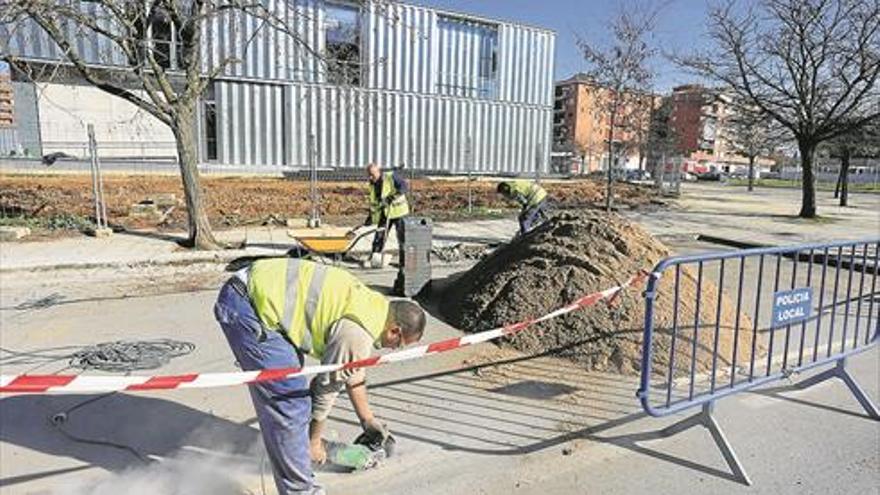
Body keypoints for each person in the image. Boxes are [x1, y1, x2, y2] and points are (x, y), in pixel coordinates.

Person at [214, 258, 427, 495]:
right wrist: (313, 442)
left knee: (292, 399)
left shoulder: (374, 307)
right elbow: (326, 387)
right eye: (398, 344)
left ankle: (293, 451)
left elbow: (352, 370)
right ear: (394, 330)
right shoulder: (358, 332)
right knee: (291, 403)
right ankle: (301, 489)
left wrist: (368, 420)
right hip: (249, 307)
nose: (393, 349)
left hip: (255, 293)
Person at [364, 163, 410, 267]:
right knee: (379, 236)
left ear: (378, 171)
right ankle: (375, 258)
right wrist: (370, 217)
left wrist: (392, 197)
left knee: (402, 238)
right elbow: (375, 203)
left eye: (372, 174)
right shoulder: (372, 185)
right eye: (369, 175)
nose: (371, 177)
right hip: (385, 213)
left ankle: (404, 263)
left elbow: (404, 187)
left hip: (399, 212)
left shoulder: (390, 176)